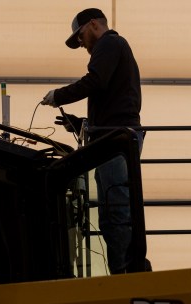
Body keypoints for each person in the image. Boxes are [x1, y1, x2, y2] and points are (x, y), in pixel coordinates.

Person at [41, 8, 148, 274]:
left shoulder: (110, 42)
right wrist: (79, 124)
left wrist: (59, 96)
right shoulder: (114, 49)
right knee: (113, 210)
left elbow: (96, 81)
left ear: (92, 25)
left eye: (79, 36)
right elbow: (109, 95)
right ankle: (126, 268)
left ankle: (124, 272)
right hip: (111, 137)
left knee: (117, 210)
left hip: (115, 139)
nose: (80, 43)